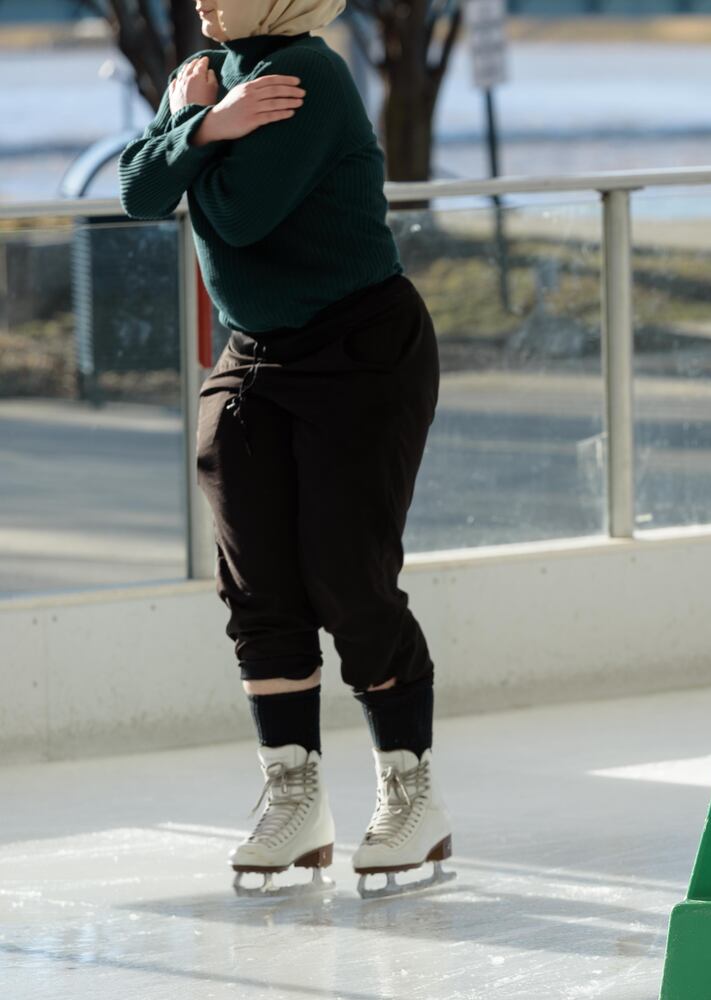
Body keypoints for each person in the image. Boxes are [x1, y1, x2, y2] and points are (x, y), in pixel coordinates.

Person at [118, 0, 451, 899]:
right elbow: (136, 191)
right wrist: (204, 122)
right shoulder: (206, 72)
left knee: (349, 575)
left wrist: (192, 126)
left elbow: (240, 214)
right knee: (259, 583)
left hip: (361, 350)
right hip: (256, 352)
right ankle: (293, 798)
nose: (201, 1)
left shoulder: (307, 74)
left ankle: (410, 794)